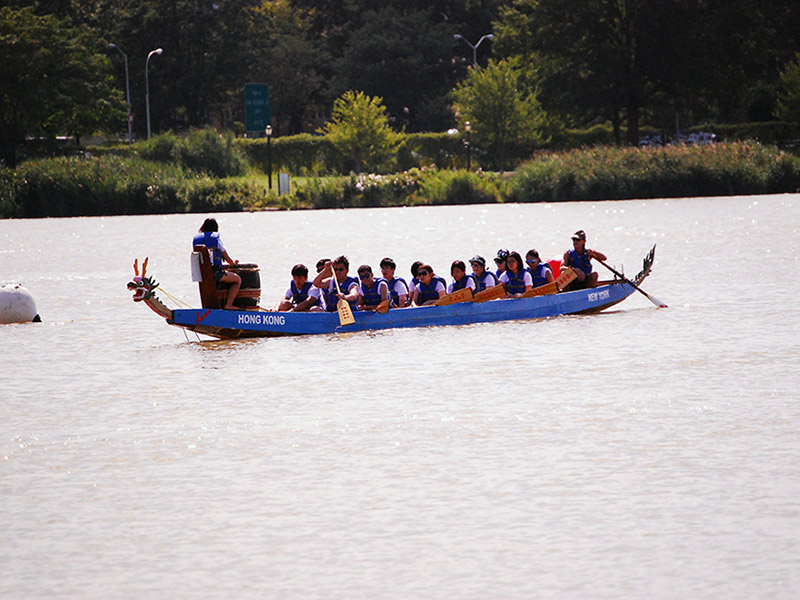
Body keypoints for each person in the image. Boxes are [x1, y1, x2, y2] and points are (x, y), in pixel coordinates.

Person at [192, 217, 241, 310]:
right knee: (237, 280)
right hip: (215, 272)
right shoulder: (216, 239)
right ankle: (229, 305)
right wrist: (234, 263)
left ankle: (208, 306)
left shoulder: (196, 240)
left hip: (201, 274)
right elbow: (226, 257)